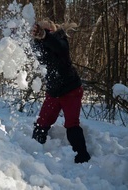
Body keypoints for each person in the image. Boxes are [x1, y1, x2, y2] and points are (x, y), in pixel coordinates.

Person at [31, 20, 91, 163]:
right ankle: (32, 149)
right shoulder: (38, 45)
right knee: (42, 122)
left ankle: (82, 156)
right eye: (39, 30)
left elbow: (56, 46)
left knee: (71, 124)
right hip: (53, 91)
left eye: (46, 30)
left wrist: (44, 35)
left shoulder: (61, 41)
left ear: (52, 30)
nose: (43, 33)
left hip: (71, 90)